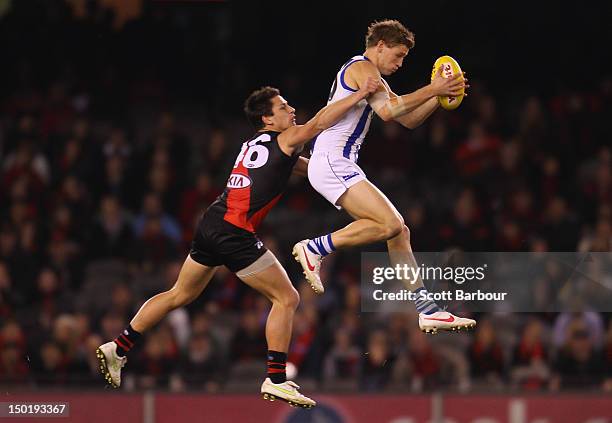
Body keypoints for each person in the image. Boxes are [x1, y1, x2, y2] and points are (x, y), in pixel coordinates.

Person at [95, 78, 379, 408]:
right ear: (267, 120)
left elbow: (299, 169)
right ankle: (276, 379)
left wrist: (328, 171)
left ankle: (118, 346)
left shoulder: (254, 143)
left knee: (180, 294)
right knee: (286, 297)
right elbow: (319, 122)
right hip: (234, 231)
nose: (291, 110)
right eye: (283, 107)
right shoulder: (286, 138)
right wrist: (359, 95)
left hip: (212, 222)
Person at [292, 19, 476, 333]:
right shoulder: (362, 68)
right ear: (380, 45)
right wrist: (433, 87)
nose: (401, 63)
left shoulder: (372, 75)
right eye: (398, 55)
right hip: (332, 160)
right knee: (391, 223)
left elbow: (407, 120)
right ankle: (315, 247)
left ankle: (427, 308)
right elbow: (390, 111)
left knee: (397, 231)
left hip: (337, 163)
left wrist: (439, 98)